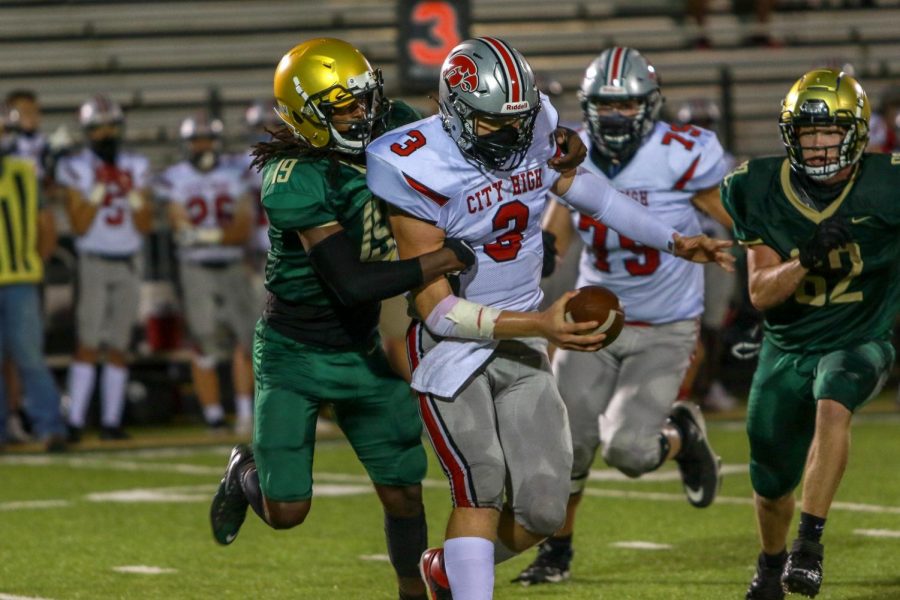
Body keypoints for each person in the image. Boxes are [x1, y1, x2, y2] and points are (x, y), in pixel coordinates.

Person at [366, 37, 733, 600]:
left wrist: (676, 240)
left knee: (543, 508)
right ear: (456, 111)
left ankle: (446, 571)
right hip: (451, 349)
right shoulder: (414, 161)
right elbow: (437, 310)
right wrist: (539, 325)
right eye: (496, 122)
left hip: (524, 342)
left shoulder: (534, 128)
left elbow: (594, 196)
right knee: (480, 486)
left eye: (520, 118)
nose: (514, 133)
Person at [206, 38, 482, 600]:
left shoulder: (392, 122)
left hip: (361, 349)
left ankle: (412, 593)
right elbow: (350, 282)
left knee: (405, 494)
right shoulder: (295, 175)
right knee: (287, 512)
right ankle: (244, 470)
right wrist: (442, 257)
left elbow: (460, 134)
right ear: (307, 116)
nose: (364, 113)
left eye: (366, 99)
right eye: (344, 106)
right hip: (293, 354)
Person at [513, 47, 732, 586]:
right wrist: (538, 255)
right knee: (570, 442)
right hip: (596, 318)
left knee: (630, 452)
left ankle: (681, 435)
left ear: (650, 105)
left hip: (666, 326)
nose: (613, 117)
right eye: (604, 106)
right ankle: (556, 552)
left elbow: (738, 216)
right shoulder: (572, 151)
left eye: (625, 106)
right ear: (587, 108)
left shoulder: (683, 153)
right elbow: (558, 222)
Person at [722, 68, 900, 599]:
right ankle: (772, 563)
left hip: (859, 337)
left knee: (834, 393)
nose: (820, 146)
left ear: (857, 132)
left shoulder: (889, 182)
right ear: (790, 135)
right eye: (809, 133)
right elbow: (760, 292)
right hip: (787, 347)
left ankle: (809, 544)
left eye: (830, 133)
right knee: (770, 482)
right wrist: (807, 260)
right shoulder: (756, 186)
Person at [56, 94, 153, 441]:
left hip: (127, 262)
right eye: (98, 128)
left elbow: (144, 224)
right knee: (87, 342)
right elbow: (79, 224)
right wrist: (100, 186)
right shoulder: (76, 166)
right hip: (94, 260)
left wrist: (131, 192)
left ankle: (112, 422)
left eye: (111, 126)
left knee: (118, 345)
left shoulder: (136, 164)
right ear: (86, 131)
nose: (106, 133)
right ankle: (76, 421)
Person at [156, 112, 256, 435]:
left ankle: (245, 414)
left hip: (231, 264)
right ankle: (213, 416)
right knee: (204, 342)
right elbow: (178, 226)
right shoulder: (176, 177)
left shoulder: (234, 172)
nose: (202, 146)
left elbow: (242, 227)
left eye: (207, 139)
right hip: (195, 268)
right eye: (196, 140)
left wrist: (204, 236)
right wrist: (215, 234)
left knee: (247, 340)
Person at [0, 103, 67, 452]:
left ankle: (50, 426)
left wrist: (33, 260)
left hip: (19, 279)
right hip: (19, 280)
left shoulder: (24, 172)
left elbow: (47, 225)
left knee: (29, 357)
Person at [674, 97, 740, 412]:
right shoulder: (667, 158)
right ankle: (682, 389)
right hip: (679, 248)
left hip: (717, 246)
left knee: (714, 324)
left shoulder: (723, 160)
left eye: (706, 127)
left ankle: (706, 384)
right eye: (696, 127)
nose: (701, 133)